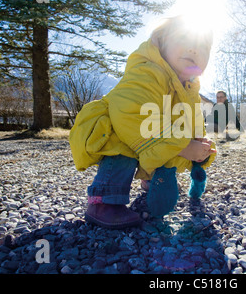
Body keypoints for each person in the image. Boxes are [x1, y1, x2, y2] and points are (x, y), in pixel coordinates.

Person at [69, 15, 217, 229]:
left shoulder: (189, 87)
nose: (194, 50)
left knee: (166, 143)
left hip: (146, 133)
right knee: (122, 147)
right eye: (184, 40)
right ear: (161, 42)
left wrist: (199, 145)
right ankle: (103, 199)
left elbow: (192, 119)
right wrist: (184, 147)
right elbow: (136, 115)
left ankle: (150, 179)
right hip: (113, 127)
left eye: (203, 47)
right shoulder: (148, 71)